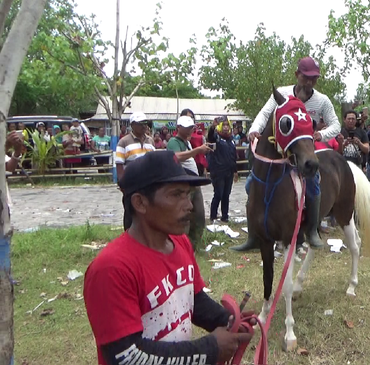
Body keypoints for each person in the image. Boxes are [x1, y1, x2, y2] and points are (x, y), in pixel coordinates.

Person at [84, 150, 254, 365]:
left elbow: (193, 299)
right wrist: (210, 349)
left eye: (188, 194)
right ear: (140, 203)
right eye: (176, 195)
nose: (189, 206)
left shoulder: (179, 243)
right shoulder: (112, 269)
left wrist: (226, 320)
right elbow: (126, 356)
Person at [244, 56, 340, 251]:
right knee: (250, 183)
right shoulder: (281, 94)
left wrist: (321, 134)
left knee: (313, 183)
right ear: (297, 75)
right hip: (281, 149)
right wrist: (254, 130)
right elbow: (265, 113)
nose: (310, 82)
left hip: (303, 151)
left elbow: (336, 124)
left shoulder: (322, 101)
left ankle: (312, 229)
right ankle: (255, 232)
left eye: (314, 78)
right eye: (306, 77)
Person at [166, 116, 211, 249]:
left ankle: (195, 245)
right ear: (178, 128)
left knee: (199, 216)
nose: (189, 130)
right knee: (185, 216)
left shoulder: (188, 142)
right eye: (186, 128)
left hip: (194, 183)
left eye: (190, 128)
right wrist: (197, 150)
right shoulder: (174, 141)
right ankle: (181, 246)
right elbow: (175, 156)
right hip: (184, 184)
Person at [116, 112, 156, 231]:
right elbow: (119, 164)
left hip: (148, 182)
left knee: (147, 210)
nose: (144, 126)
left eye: (145, 124)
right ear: (132, 125)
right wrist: (123, 184)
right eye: (140, 124)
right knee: (131, 212)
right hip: (132, 182)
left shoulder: (150, 141)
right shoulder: (124, 142)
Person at [206, 118, 239, 223]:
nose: (225, 127)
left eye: (227, 125)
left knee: (226, 194)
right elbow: (210, 137)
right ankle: (213, 216)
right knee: (218, 194)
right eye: (223, 125)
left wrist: (235, 171)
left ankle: (225, 216)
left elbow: (233, 156)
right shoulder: (217, 138)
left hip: (229, 171)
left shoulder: (231, 140)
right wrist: (212, 127)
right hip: (218, 171)